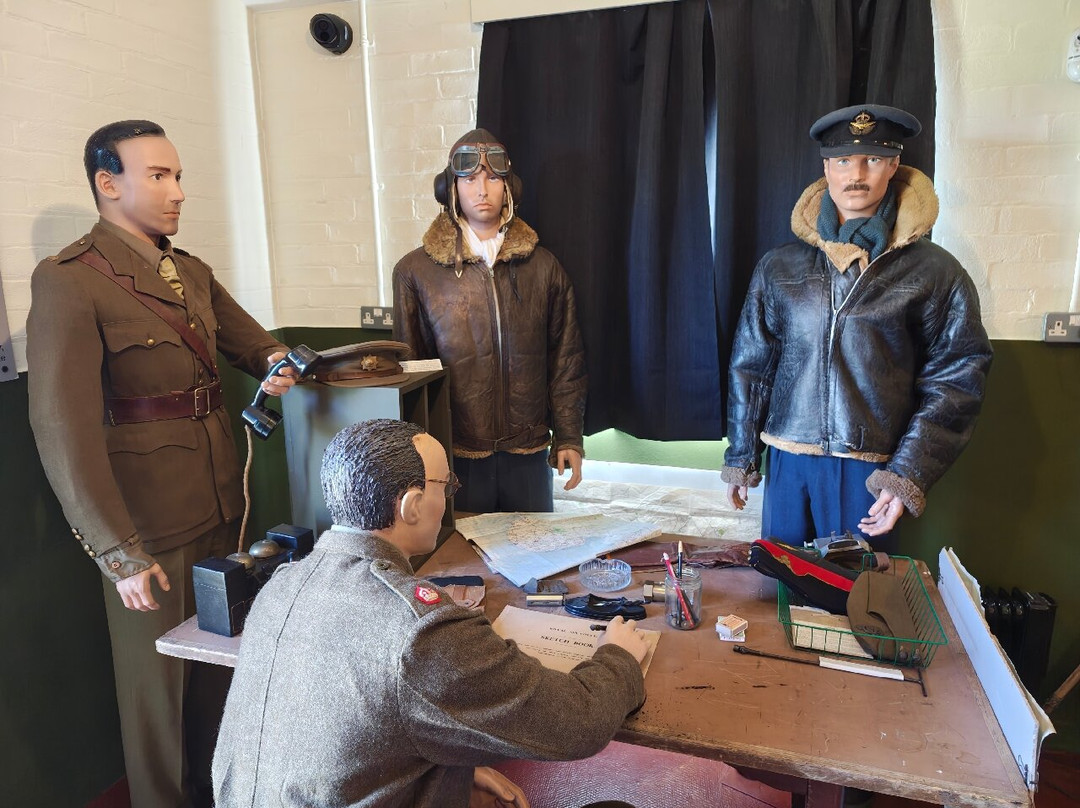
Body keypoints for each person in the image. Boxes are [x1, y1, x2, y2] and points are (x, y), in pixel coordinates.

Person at [26, 120, 296, 807]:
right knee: (160, 700)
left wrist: (273, 362)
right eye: (158, 176)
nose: (177, 192)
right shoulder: (70, 281)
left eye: (178, 176)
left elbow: (253, 342)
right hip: (148, 525)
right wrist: (118, 551)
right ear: (107, 184)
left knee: (216, 677)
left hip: (217, 506)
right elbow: (63, 429)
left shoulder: (191, 272)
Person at [213, 418, 650, 807]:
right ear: (412, 505)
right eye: (446, 485)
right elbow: (576, 723)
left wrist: (448, 770)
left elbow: (329, 729)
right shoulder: (418, 629)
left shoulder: (280, 586)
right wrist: (618, 657)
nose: (449, 497)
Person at [722, 105, 992, 553]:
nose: (857, 173)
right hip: (788, 461)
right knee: (781, 589)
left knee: (858, 601)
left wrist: (907, 473)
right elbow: (751, 365)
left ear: (893, 166)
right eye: (844, 159)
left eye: (871, 158)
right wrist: (741, 456)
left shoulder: (933, 272)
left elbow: (958, 376)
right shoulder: (780, 266)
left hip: (867, 471)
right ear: (827, 167)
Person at [393, 128, 586, 513]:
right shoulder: (415, 272)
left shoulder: (544, 268)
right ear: (450, 187)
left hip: (528, 451)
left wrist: (568, 437)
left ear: (508, 187)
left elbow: (566, 359)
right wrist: (419, 458)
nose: (482, 189)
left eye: (492, 178)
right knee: (461, 564)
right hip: (454, 457)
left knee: (533, 557)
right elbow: (412, 373)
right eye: (469, 178)